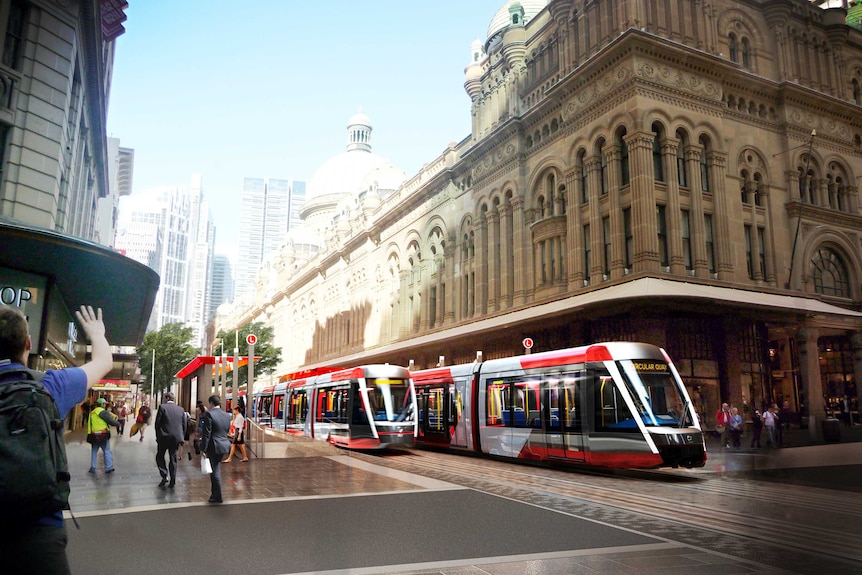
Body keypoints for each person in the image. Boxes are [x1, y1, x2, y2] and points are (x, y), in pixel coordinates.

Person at [0, 304, 113, 574]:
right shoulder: (50, 386)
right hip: (40, 535)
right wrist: (97, 334)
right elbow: (104, 362)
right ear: (28, 343)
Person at [200, 394, 231, 503]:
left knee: (215, 471)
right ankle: (214, 494)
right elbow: (227, 430)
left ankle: (218, 496)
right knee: (215, 469)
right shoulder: (227, 415)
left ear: (211, 403)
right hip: (224, 444)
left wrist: (203, 448)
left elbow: (207, 433)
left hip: (214, 445)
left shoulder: (210, 414)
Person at [154, 391, 186, 488]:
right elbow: (183, 424)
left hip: (164, 437)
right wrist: (182, 437)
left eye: (164, 398)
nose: (163, 399)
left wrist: (158, 436)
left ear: (167, 398)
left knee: (160, 456)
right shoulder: (180, 409)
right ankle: (173, 479)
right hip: (176, 438)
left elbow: (157, 424)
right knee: (173, 458)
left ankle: (164, 475)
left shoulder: (162, 407)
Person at [88, 397, 120, 473]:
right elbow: (110, 421)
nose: (105, 405)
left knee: (94, 451)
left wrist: (89, 435)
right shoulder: (103, 412)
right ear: (102, 404)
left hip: (94, 435)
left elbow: (89, 424)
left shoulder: (92, 412)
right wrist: (117, 423)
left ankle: (93, 467)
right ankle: (108, 467)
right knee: (107, 450)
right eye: (104, 404)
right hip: (103, 435)